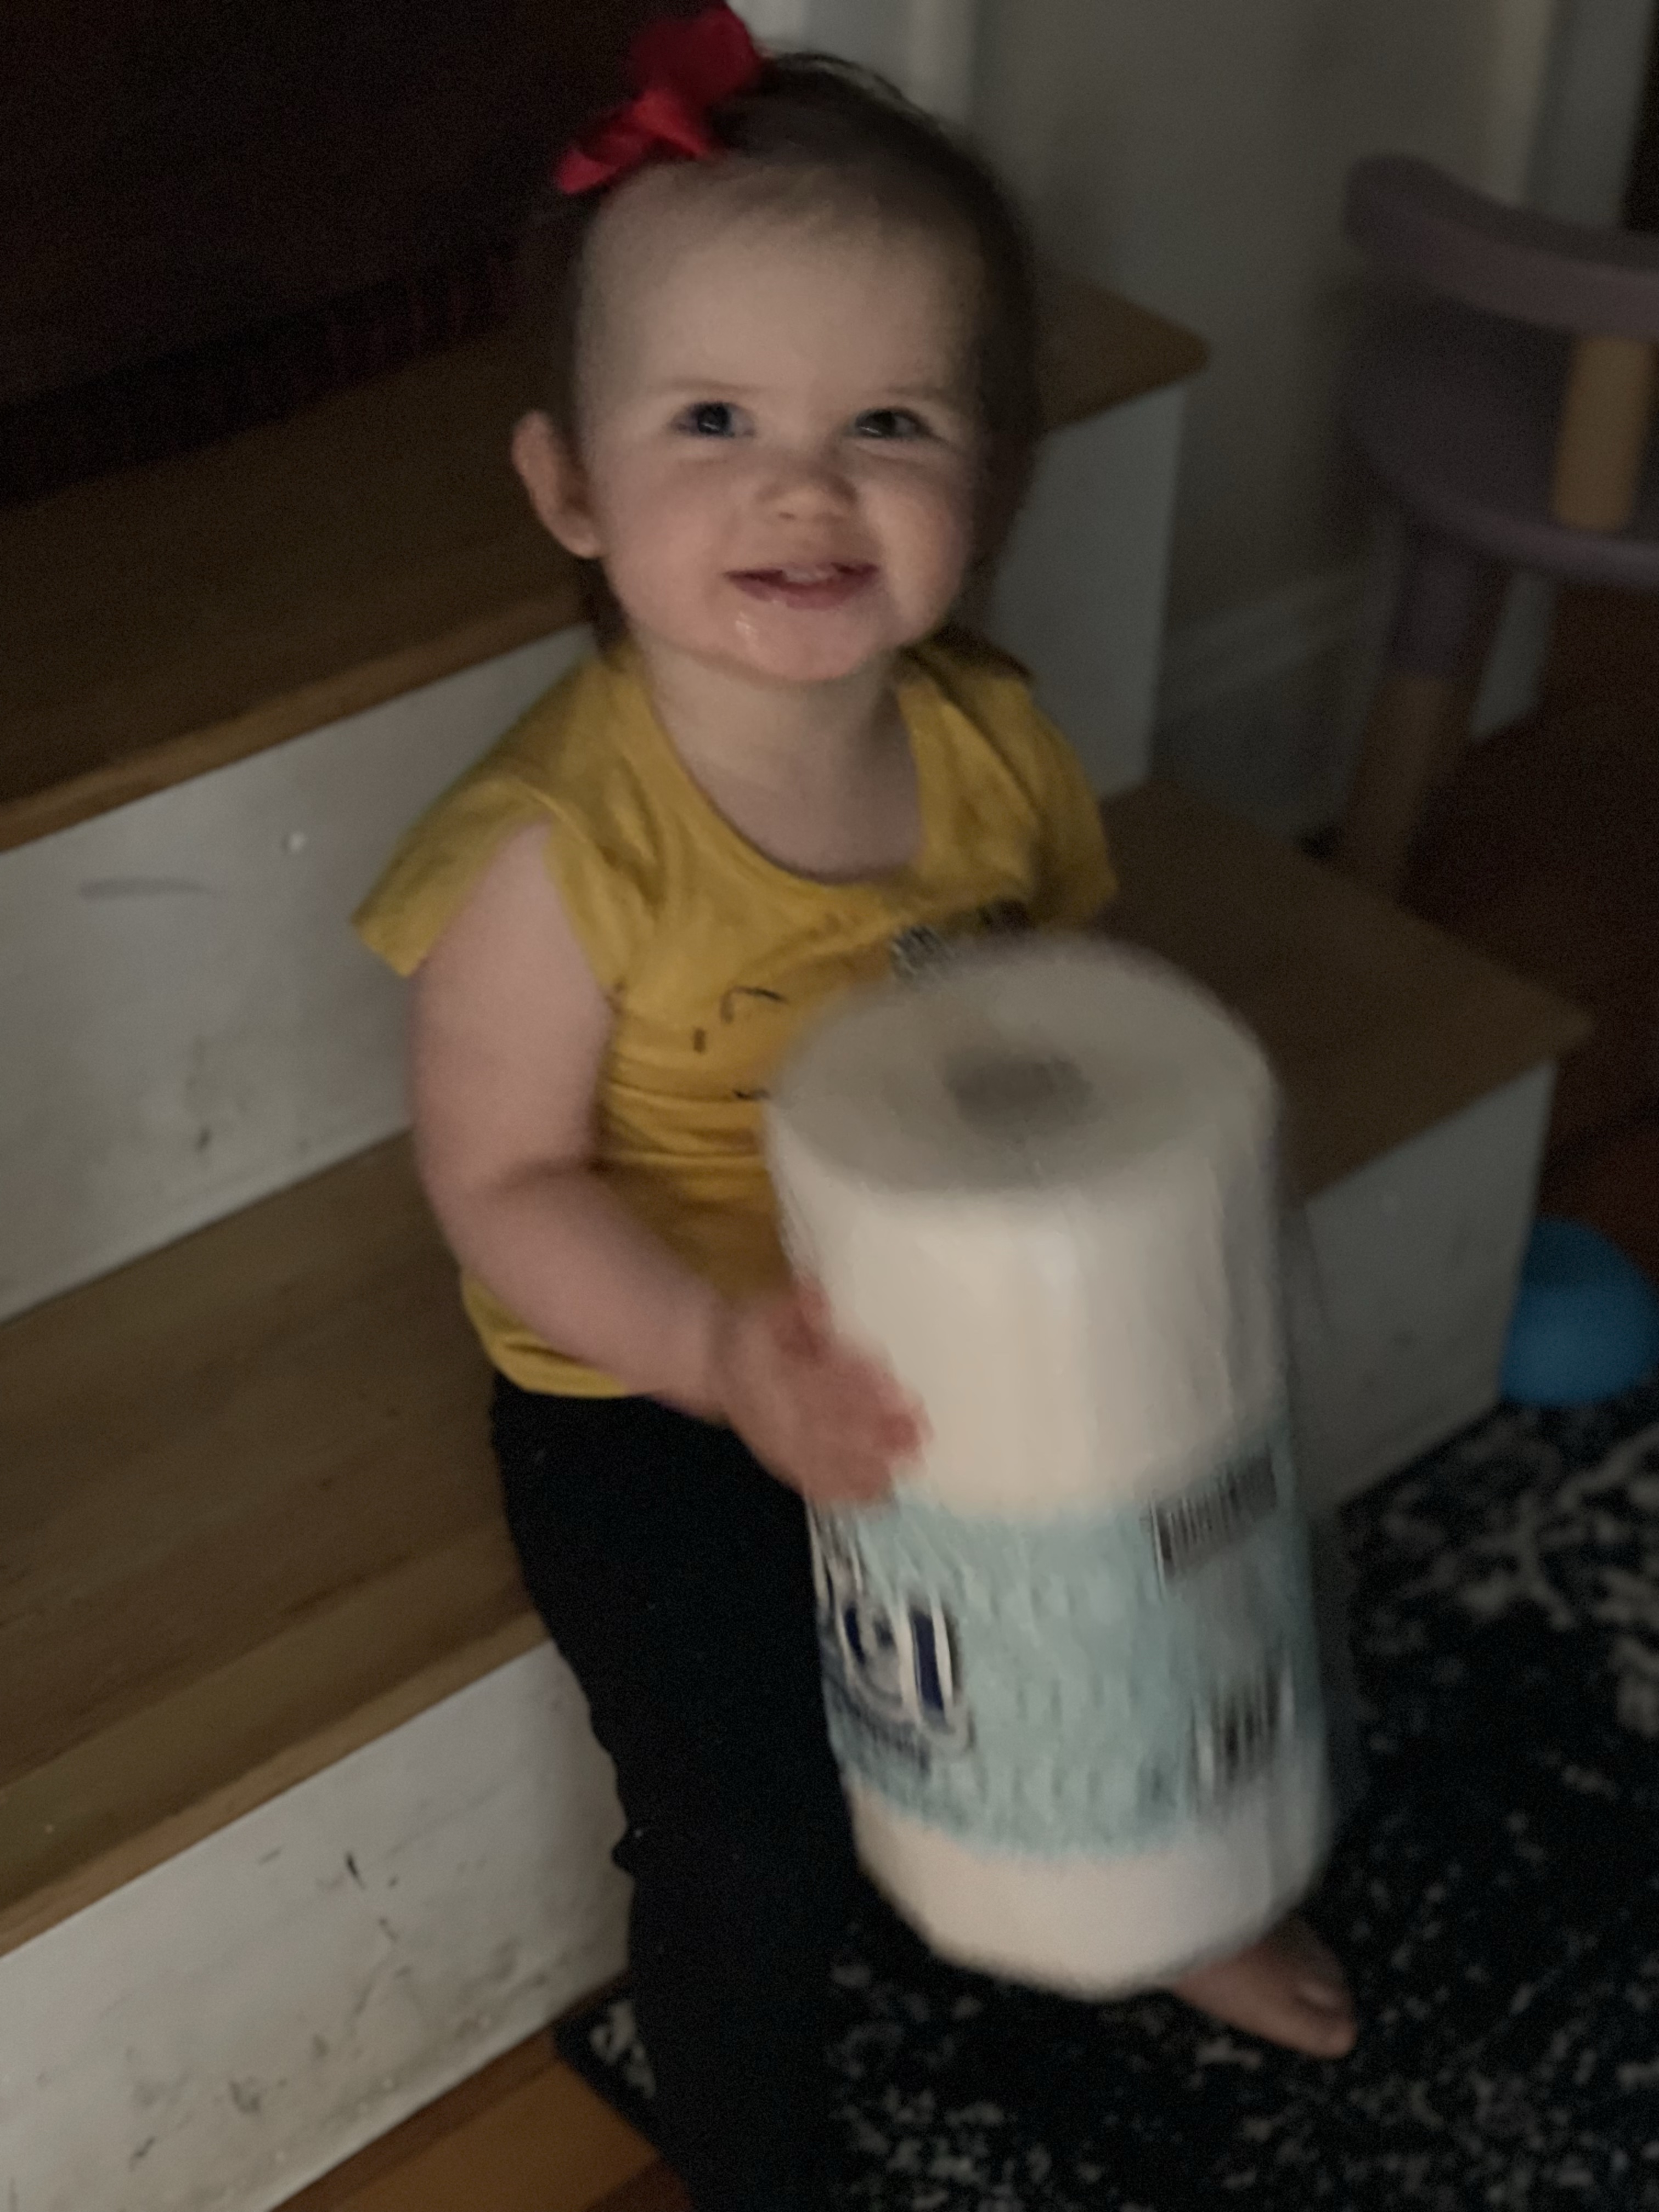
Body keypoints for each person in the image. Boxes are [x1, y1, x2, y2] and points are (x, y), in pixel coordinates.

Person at [356, 11, 1357, 2207]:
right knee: (752, 1823)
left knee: (1162, 1596)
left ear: (987, 488)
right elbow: (501, 1181)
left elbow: (1060, 999)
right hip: (659, 1392)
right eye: (714, 419)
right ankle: (749, 2146)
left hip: (966, 1331)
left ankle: (1163, 1900)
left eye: (887, 423)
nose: (805, 488)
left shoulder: (991, 745)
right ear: (572, 487)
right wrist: (725, 1358)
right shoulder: (557, 856)